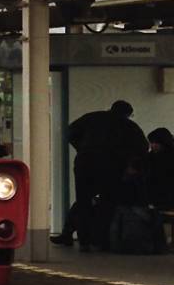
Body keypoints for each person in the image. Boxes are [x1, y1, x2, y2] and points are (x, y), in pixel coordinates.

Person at [52, 100, 148, 251]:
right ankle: (102, 240)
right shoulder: (129, 126)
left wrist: (81, 148)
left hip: (85, 164)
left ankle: (82, 240)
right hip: (112, 168)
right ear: (128, 114)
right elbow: (142, 148)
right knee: (107, 203)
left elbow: (69, 131)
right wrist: (129, 163)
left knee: (83, 201)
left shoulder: (92, 117)